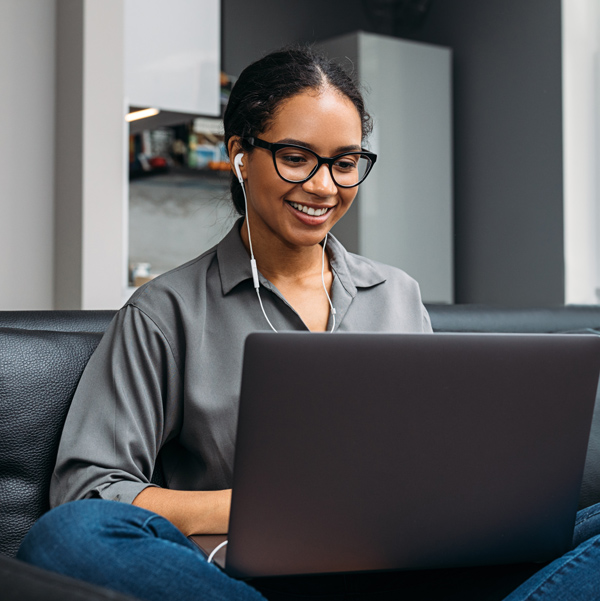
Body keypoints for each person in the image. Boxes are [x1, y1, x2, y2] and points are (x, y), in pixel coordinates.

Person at [17, 46, 600, 601]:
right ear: (241, 154)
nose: (323, 186)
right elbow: (88, 490)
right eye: (296, 157)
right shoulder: (165, 312)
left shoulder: (397, 294)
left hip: (414, 570)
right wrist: (262, 505)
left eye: (345, 164)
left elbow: (433, 461)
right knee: (68, 537)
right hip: (255, 583)